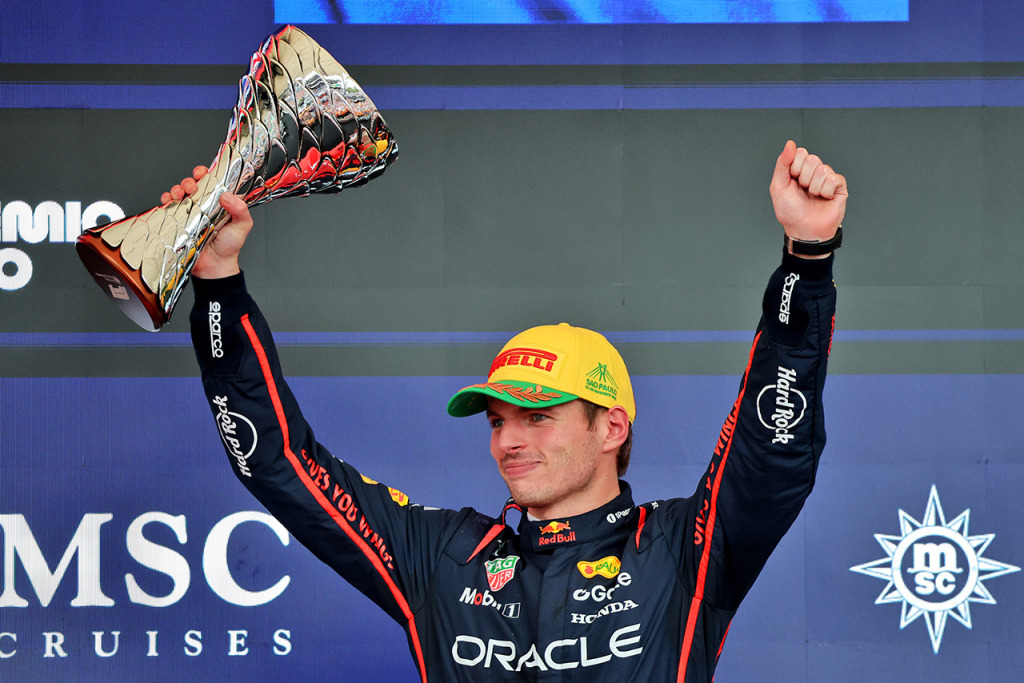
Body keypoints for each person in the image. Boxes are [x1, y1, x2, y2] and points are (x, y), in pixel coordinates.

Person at [167, 139, 845, 681]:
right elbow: (276, 462)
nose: (508, 441)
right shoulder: (444, 557)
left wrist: (807, 260)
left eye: (537, 416)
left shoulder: (683, 550)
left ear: (611, 426)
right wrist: (218, 284)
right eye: (497, 421)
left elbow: (773, 450)